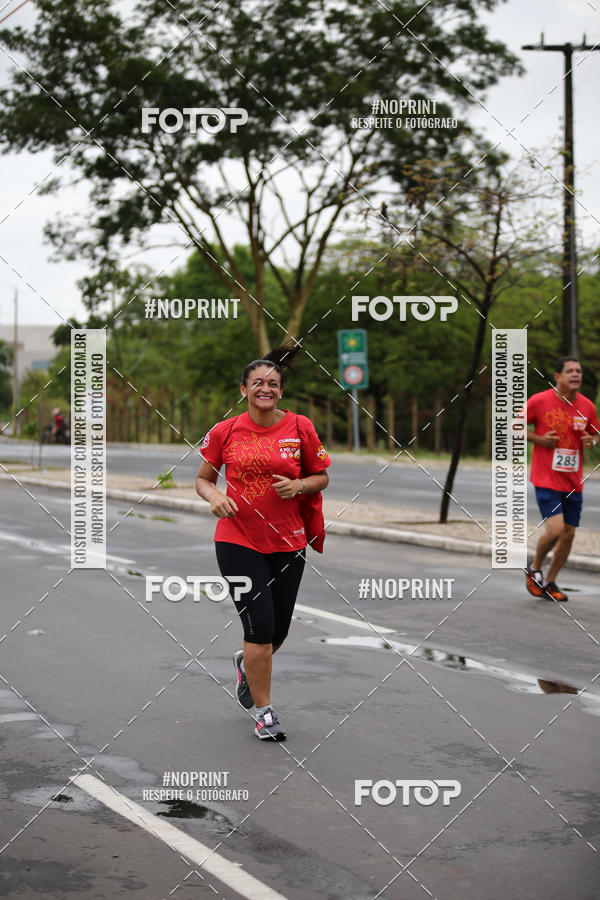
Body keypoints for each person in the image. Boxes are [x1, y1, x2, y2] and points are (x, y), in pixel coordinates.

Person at [195, 345, 331, 741]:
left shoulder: (300, 427)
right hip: (237, 538)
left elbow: (321, 476)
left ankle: (246, 664)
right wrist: (215, 496)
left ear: (281, 392)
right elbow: (203, 477)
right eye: (257, 383)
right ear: (244, 389)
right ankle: (265, 712)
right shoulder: (226, 431)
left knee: (278, 631)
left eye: (272, 383)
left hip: (288, 540)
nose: (265, 388)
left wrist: (300, 484)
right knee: (260, 625)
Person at [525, 357, 599, 602]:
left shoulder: (587, 406)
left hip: (573, 481)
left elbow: (596, 434)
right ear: (557, 376)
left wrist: (593, 441)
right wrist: (539, 439)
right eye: (570, 371)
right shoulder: (539, 401)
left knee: (568, 534)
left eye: (579, 370)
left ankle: (550, 581)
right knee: (555, 530)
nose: (576, 374)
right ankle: (534, 567)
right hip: (546, 477)